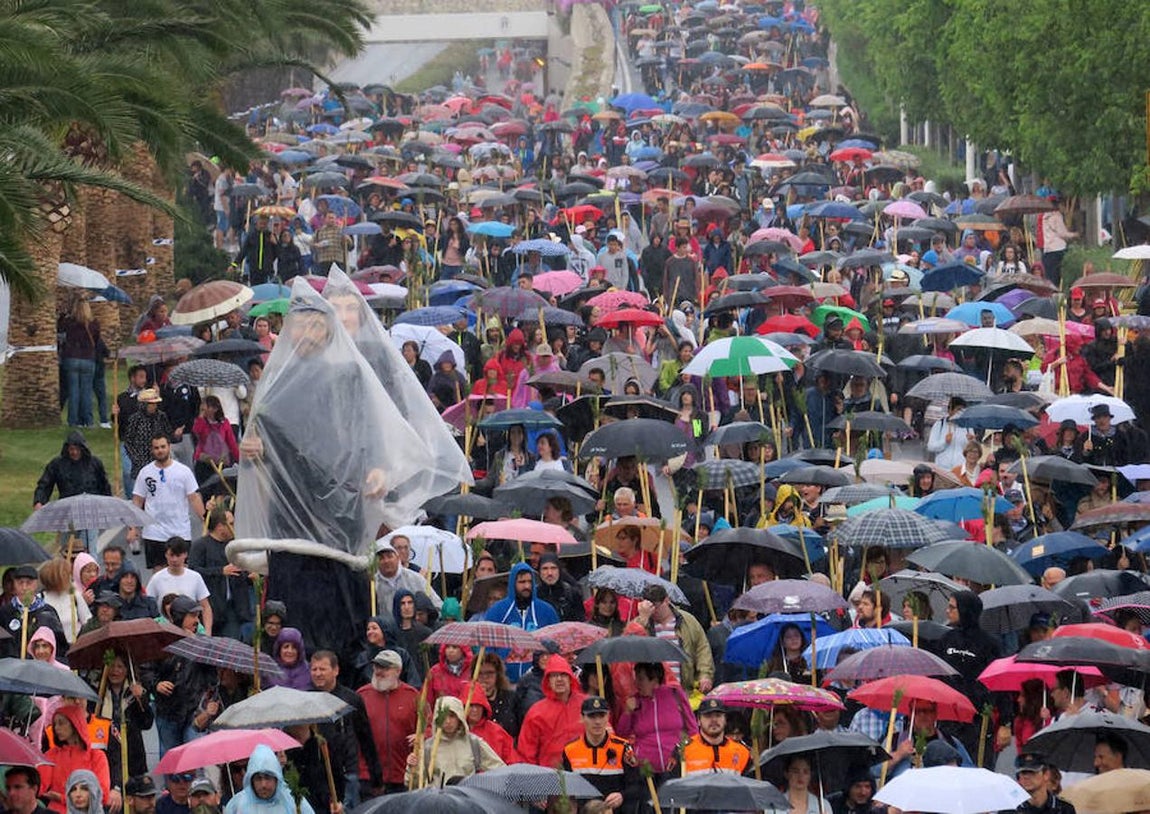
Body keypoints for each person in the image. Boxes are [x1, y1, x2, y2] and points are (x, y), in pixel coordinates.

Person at [236, 281, 431, 663]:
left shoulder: (349, 377)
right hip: (290, 511)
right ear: (289, 329)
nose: (308, 334)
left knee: (342, 597)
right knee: (293, 598)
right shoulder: (274, 386)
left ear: (328, 330)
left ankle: (344, 669)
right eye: (300, 325)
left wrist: (379, 469)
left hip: (341, 508)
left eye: (316, 325)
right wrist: (252, 449)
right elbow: (261, 443)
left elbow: (372, 430)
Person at [309, 650, 382, 810]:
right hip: (317, 774)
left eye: (322, 669)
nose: (318, 674)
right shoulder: (306, 700)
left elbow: (366, 738)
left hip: (347, 772)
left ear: (336, 670)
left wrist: (376, 776)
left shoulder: (351, 699)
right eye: (314, 669)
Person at [128, 435, 204, 571]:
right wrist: (133, 527)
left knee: (182, 572)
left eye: (163, 447)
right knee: (159, 573)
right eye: (156, 448)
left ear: (169, 447)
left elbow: (194, 497)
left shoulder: (184, 472)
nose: (160, 450)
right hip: (154, 533)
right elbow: (137, 500)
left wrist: (205, 520)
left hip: (180, 531)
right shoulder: (145, 473)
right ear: (152, 450)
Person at [625, 584, 714, 695]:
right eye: (650, 607)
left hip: (683, 690)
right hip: (653, 691)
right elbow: (628, 650)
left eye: (656, 607)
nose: (654, 611)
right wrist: (643, 620)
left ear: (666, 600)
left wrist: (705, 675)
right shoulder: (640, 624)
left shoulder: (688, 621)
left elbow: (702, 649)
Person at [616, 662, 697, 778]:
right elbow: (621, 735)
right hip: (644, 768)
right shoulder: (635, 701)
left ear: (654, 679)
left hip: (674, 765)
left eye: (641, 679)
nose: (636, 683)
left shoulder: (675, 694)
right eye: (636, 678)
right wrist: (627, 712)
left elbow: (693, 729)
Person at [33, 431, 112, 552]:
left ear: (82, 449)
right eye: (71, 449)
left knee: (89, 548)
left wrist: (106, 504)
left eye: (76, 449)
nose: (74, 452)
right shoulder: (57, 464)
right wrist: (39, 501)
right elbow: (45, 484)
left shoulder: (94, 463)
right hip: (67, 511)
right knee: (67, 548)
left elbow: (104, 485)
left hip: (90, 511)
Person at [562, 697, 643, 812]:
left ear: (608, 716)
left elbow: (637, 786)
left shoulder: (623, 747)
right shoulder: (570, 750)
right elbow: (567, 790)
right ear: (581, 718)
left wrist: (622, 796)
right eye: (592, 716)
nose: (597, 722)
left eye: (601, 715)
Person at [405, 695, 504, 788]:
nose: (448, 721)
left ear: (459, 717)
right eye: (444, 717)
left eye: (452, 716)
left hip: (467, 799)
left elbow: (499, 769)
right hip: (440, 801)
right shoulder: (428, 747)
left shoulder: (473, 743)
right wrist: (412, 768)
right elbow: (413, 784)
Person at [484, 563, 559, 680]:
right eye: (522, 582)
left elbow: (555, 645)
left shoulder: (547, 611)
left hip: (538, 682)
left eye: (529, 582)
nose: (527, 586)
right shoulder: (497, 611)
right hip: (504, 681)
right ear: (513, 584)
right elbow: (487, 647)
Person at [357, 650, 418, 794]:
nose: (379, 671)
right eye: (377, 667)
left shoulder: (413, 695)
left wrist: (421, 737)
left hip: (403, 775)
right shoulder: (361, 696)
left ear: (398, 671)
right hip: (368, 777)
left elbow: (428, 726)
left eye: (385, 667)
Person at [188, 505, 251, 639]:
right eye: (231, 524)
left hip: (234, 606)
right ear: (220, 526)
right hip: (212, 605)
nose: (234, 527)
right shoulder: (201, 545)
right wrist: (220, 571)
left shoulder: (234, 545)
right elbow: (194, 572)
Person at [40, 705, 113, 814]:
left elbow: (102, 795)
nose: (56, 728)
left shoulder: (97, 756)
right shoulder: (51, 755)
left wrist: (63, 798)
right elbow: (39, 785)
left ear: (75, 723)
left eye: (61, 723)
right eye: (55, 724)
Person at [518, 654, 586, 768]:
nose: (559, 679)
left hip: (585, 770)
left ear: (571, 678)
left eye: (563, 674)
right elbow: (526, 753)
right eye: (554, 675)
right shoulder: (536, 712)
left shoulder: (586, 705)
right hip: (550, 775)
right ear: (548, 681)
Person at [224, 744, 316, 814]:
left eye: (268, 778)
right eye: (258, 779)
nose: (263, 784)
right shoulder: (237, 806)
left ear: (276, 779)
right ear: (251, 780)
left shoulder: (293, 802)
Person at [0, 565, 67, 659]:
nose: (24, 587)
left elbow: (59, 646)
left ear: (36, 584)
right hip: (12, 668)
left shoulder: (47, 612)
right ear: (14, 584)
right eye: (20, 583)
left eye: (28, 583)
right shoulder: (5, 612)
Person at [146, 538, 212, 630]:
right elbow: (148, 605)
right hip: (165, 629)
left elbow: (205, 606)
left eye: (178, 555)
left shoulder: (195, 577)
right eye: (171, 555)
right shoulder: (157, 579)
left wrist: (207, 632)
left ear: (185, 555)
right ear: (166, 555)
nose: (174, 559)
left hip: (190, 629)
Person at [372, 538, 440, 622]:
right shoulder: (373, 584)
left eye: (389, 556)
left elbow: (436, 604)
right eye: (381, 558)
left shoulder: (416, 578)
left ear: (397, 558)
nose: (386, 561)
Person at [678, 697, 751, 774]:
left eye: (718, 715)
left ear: (725, 719)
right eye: (708, 716)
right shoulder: (683, 750)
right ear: (699, 721)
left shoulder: (742, 752)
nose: (714, 720)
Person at [59, 299, 102, 429]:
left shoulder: (69, 322)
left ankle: (73, 421)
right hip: (88, 359)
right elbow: (97, 339)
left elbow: (59, 330)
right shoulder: (93, 323)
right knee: (86, 391)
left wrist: (62, 315)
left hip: (71, 358)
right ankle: (88, 421)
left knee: (73, 391)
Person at [927, 397, 975, 471]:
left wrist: (971, 442)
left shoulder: (968, 426)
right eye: (958, 409)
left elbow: (973, 450)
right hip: (942, 469)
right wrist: (944, 442)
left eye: (963, 410)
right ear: (950, 410)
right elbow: (931, 447)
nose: (960, 413)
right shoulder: (940, 424)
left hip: (960, 470)